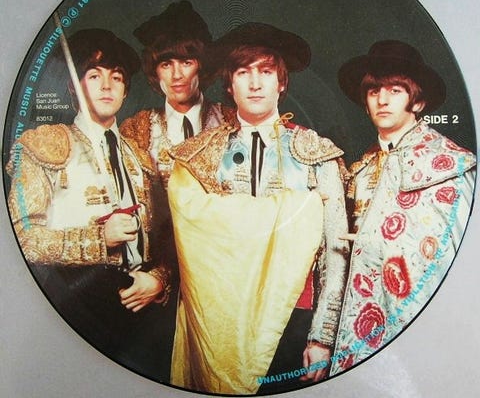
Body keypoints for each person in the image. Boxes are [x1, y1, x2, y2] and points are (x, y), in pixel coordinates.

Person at [167, 23, 349, 394]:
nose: (255, 83)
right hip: (219, 320)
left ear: (281, 82)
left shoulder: (314, 152)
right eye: (243, 72)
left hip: (294, 314)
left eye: (265, 71)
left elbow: (336, 247)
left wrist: (322, 336)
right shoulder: (200, 155)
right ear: (228, 84)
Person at [6, 29, 174, 381]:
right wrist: (99, 239)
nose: (107, 86)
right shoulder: (45, 144)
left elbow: (166, 241)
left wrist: (158, 281)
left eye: (117, 77)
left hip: (141, 308)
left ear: (126, 91)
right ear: (74, 87)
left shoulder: (141, 157)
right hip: (75, 305)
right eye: (94, 76)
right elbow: (21, 238)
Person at [330, 40, 476, 375]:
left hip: (426, 326)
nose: (382, 100)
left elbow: (462, 260)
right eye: (373, 91)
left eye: (395, 90)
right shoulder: (360, 169)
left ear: (418, 101)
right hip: (362, 329)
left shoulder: (450, 164)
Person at [120, 0, 232, 188]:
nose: (177, 75)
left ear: (201, 66)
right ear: (155, 72)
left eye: (186, 63)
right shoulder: (137, 130)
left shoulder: (230, 121)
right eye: (166, 64)